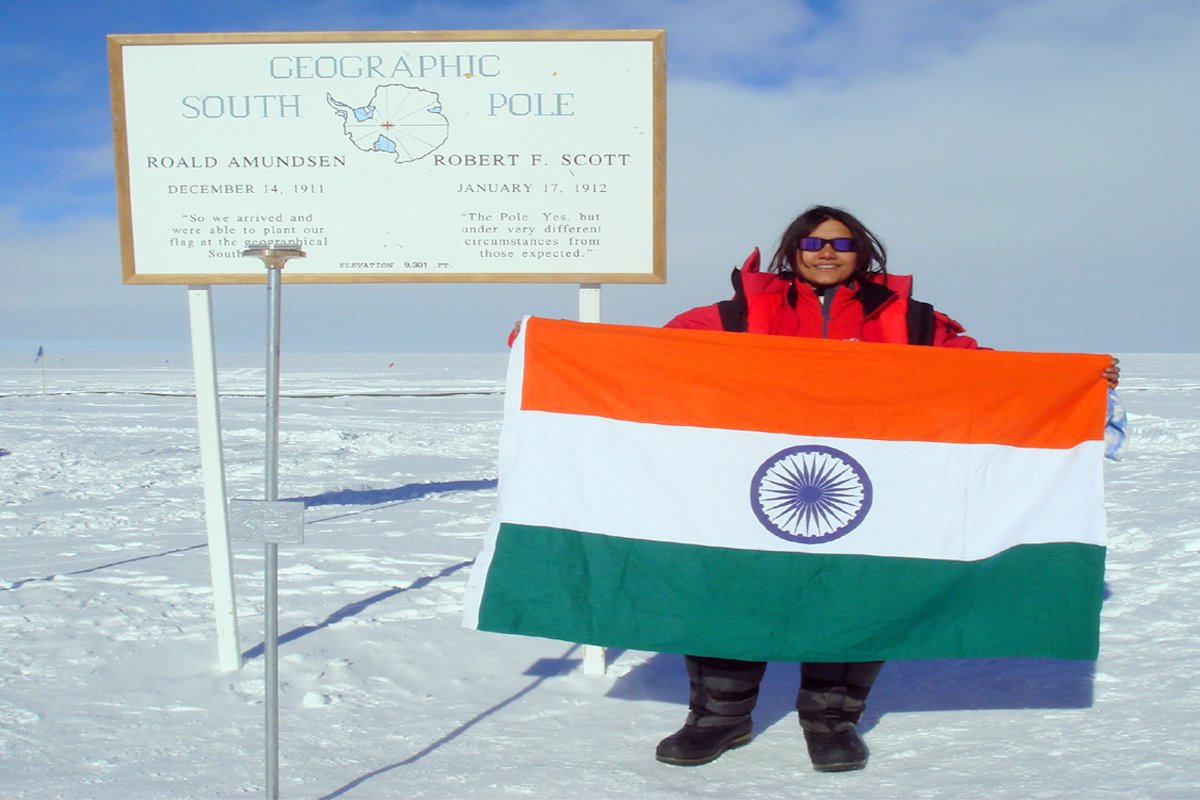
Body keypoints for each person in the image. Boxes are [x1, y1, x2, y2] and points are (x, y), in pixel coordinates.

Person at [654, 205, 1120, 773]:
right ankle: (719, 719)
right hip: (757, 477)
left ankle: (831, 722)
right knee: (735, 588)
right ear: (792, 250)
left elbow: (983, 375)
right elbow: (647, 357)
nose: (827, 252)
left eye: (842, 243)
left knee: (856, 591)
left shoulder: (911, 320)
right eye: (813, 241)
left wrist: (1069, 382)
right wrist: (546, 349)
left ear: (863, 253)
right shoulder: (740, 311)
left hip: (870, 480)